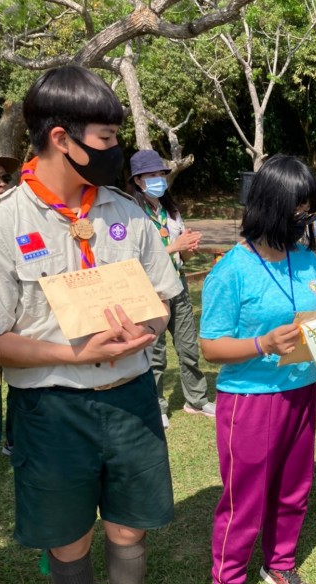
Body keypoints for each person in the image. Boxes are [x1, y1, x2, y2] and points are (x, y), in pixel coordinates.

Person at [0, 65, 183, 584]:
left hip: (129, 398)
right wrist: (72, 355)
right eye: (106, 140)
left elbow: (161, 299)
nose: (116, 154)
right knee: (66, 531)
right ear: (60, 137)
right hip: (50, 408)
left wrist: (146, 331)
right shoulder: (4, 222)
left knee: (129, 524)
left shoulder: (125, 215)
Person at [200, 154, 316, 584]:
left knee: (295, 488)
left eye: (309, 209)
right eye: (298, 209)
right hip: (250, 400)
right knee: (246, 495)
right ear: (271, 207)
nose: (305, 220)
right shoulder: (232, 270)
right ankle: (227, 581)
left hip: (301, 392)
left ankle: (279, 563)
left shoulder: (308, 259)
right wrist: (262, 343)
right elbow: (210, 347)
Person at [128, 149, 215, 427]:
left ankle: (196, 400)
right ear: (138, 180)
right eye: (152, 175)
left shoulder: (171, 211)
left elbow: (182, 255)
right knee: (155, 354)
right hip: (149, 292)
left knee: (188, 348)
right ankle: (157, 405)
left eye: (161, 175)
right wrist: (173, 246)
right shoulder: (131, 214)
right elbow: (132, 259)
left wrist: (188, 247)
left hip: (177, 287)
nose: (159, 180)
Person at [0, 155, 19, 457]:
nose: (2, 184)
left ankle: (13, 439)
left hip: (14, 324)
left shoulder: (16, 222)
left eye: (4, 177)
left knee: (18, 384)